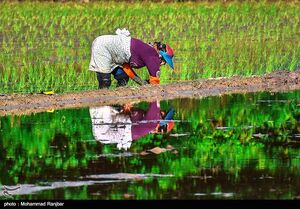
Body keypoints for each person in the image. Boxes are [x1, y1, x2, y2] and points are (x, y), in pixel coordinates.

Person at [89, 28, 174, 89]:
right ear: (160, 54)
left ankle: (118, 105)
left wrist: (142, 83)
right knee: (105, 81)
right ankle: (101, 103)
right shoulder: (153, 55)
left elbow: (127, 68)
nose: (163, 64)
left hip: (115, 54)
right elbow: (155, 83)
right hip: (103, 46)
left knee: (123, 78)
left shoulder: (146, 51)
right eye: (164, 61)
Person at [89, 101, 175, 150]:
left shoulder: (152, 124)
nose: (162, 111)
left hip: (103, 132)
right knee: (101, 105)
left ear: (161, 125)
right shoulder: (144, 117)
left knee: (102, 105)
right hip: (108, 128)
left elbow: (155, 100)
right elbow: (126, 113)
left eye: (164, 114)